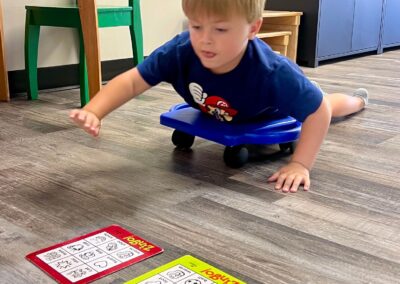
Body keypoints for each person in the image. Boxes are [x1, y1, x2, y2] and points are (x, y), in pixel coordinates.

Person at [70, 0, 368, 193]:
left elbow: (317, 113)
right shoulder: (181, 50)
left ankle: (358, 100)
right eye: (196, 26)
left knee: (325, 102)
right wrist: (95, 110)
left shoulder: (273, 72)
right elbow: (133, 81)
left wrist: (300, 164)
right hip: (218, 105)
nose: (205, 38)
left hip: (269, 108)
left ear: (253, 29)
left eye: (221, 29)